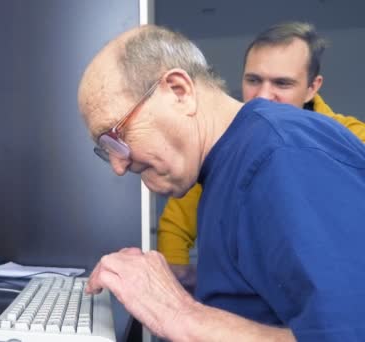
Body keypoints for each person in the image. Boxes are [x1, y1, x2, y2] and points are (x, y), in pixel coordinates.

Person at [79, 25, 365, 340]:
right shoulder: (225, 163)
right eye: (106, 149)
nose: (119, 165)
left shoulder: (282, 154)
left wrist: (179, 313)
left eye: (117, 136)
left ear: (179, 91)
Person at [157, 22, 365, 286]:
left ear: (313, 87)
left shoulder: (353, 139)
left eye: (282, 83)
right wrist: (182, 299)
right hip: (244, 315)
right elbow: (175, 227)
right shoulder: (219, 142)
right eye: (253, 80)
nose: (263, 97)